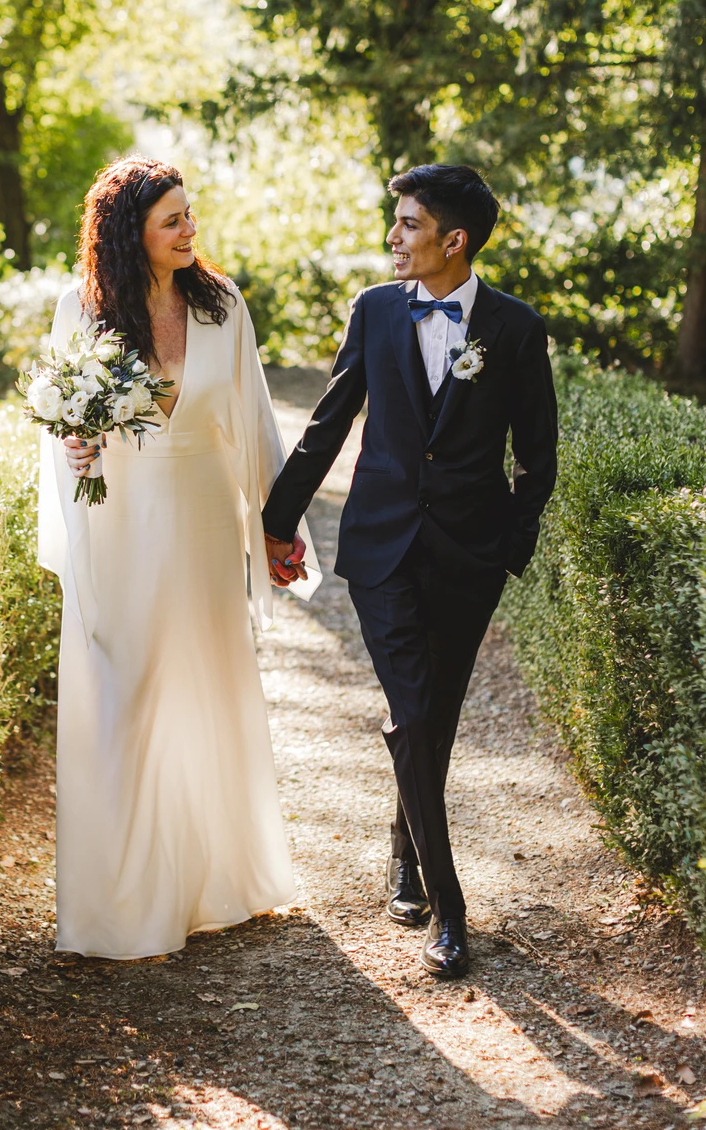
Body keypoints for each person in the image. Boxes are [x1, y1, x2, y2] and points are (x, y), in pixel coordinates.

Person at [262, 164, 557, 978]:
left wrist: (513, 544)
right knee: (412, 713)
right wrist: (275, 522)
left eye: (407, 224)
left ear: (452, 240)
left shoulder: (516, 329)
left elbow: (537, 455)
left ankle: (401, 853)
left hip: (470, 555)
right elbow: (326, 425)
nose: (392, 238)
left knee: (436, 717)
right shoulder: (374, 312)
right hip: (383, 548)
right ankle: (450, 907)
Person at [37, 156, 319, 960]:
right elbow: (62, 435)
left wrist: (275, 526)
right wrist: (78, 448)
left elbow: (255, 421)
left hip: (197, 516)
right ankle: (123, 904)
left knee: (199, 686)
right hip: (118, 522)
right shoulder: (80, 309)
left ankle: (213, 881)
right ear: (132, 234)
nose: (190, 229)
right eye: (173, 220)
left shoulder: (222, 305)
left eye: (190, 215)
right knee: (122, 689)